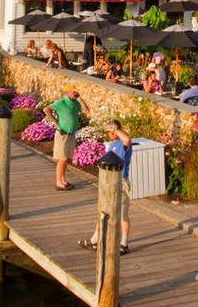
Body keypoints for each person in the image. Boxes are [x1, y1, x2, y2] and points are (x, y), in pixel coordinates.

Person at [78, 120, 132, 254]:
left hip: (121, 181)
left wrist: (115, 130)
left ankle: (124, 243)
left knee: (122, 213)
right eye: (108, 132)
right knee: (103, 210)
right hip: (109, 182)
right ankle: (95, 239)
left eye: (111, 132)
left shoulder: (123, 143)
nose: (109, 134)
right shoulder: (112, 145)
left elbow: (126, 139)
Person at [43, 89, 89, 190]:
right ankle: (58, 182)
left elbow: (86, 111)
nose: (75, 94)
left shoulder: (75, 103)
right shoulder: (61, 102)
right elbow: (46, 109)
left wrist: (80, 99)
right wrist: (55, 123)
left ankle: (63, 180)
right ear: (67, 93)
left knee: (67, 159)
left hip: (71, 134)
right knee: (62, 159)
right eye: (73, 92)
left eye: (76, 92)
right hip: (62, 134)